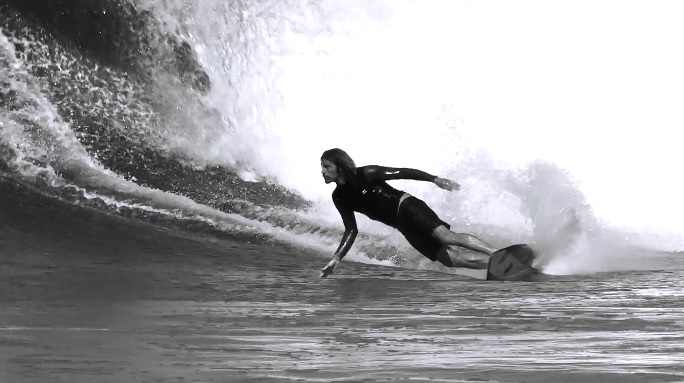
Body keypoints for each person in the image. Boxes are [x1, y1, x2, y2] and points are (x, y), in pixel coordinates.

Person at [320, 148, 499, 278]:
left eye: (327, 166)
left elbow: (402, 173)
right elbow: (351, 229)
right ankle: (499, 265)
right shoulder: (339, 197)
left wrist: (434, 179)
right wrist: (337, 258)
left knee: (446, 237)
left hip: (407, 206)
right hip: (402, 225)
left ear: (339, 166)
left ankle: (498, 253)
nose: (323, 171)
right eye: (322, 167)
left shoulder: (367, 173)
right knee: (452, 259)